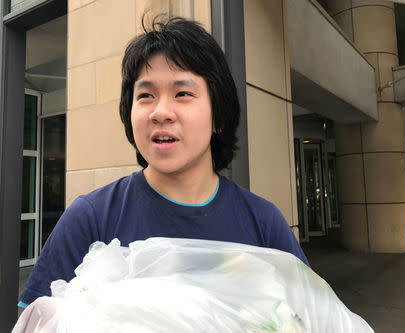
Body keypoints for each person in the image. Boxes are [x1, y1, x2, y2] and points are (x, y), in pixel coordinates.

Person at [19, 15, 308, 309]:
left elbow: (310, 315)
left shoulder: (263, 223)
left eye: (182, 93)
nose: (160, 112)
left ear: (218, 116)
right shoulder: (90, 219)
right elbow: (37, 322)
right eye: (146, 95)